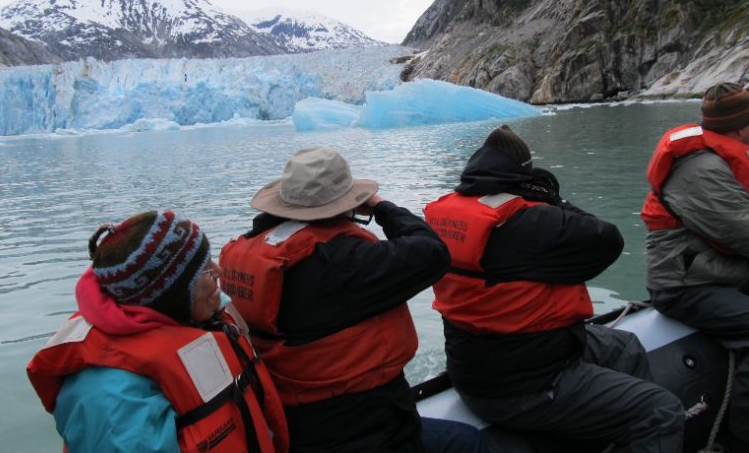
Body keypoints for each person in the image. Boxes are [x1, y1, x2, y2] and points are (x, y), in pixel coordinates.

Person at [425, 124, 685, 453]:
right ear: (522, 175)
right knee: (661, 410)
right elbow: (606, 239)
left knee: (625, 346)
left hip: (483, 364)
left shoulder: (444, 215)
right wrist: (554, 198)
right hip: (526, 384)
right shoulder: (531, 223)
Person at [219, 147, 493, 453]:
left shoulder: (248, 251)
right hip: (368, 432)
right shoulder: (343, 263)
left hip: (294, 426)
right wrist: (381, 206)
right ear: (344, 205)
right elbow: (432, 252)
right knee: (471, 443)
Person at [27, 210, 289, 453]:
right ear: (172, 296)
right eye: (206, 271)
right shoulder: (110, 396)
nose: (219, 271)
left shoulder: (191, 311)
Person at [642, 82, 749, 451]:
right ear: (739, 125)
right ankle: (740, 438)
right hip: (685, 283)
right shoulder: (701, 169)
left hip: (717, 269)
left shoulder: (725, 155)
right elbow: (743, 232)